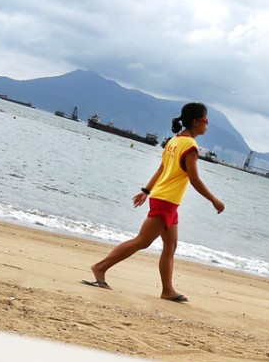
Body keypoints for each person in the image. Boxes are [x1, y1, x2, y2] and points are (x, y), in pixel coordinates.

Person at [84, 102, 225, 302]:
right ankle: (100, 267)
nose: (207, 125)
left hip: (166, 199)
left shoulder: (175, 141)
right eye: (206, 120)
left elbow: (161, 169)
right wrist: (214, 200)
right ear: (196, 121)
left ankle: (167, 290)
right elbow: (194, 179)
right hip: (166, 200)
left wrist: (146, 191)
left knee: (170, 246)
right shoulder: (191, 147)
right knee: (142, 241)